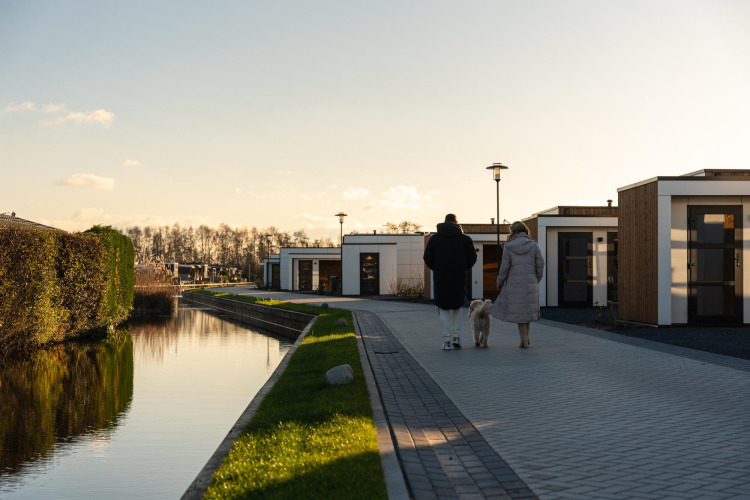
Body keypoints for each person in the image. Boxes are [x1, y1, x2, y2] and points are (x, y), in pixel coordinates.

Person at [423, 213, 477, 350]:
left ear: (444, 222)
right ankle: (456, 338)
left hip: (441, 278)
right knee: (457, 307)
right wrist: (464, 268)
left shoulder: (435, 239)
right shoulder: (465, 239)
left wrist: (436, 268)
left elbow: (427, 257)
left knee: (444, 308)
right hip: (458, 277)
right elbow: (472, 257)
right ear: (456, 222)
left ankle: (446, 340)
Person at [490, 220, 544, 348]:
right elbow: (540, 264)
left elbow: (504, 268)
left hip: (514, 284)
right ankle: (526, 338)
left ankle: (523, 338)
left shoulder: (509, 247)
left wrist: (499, 281)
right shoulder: (534, 245)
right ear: (525, 230)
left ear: (513, 231)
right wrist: (537, 278)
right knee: (527, 312)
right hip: (531, 283)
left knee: (520, 313)